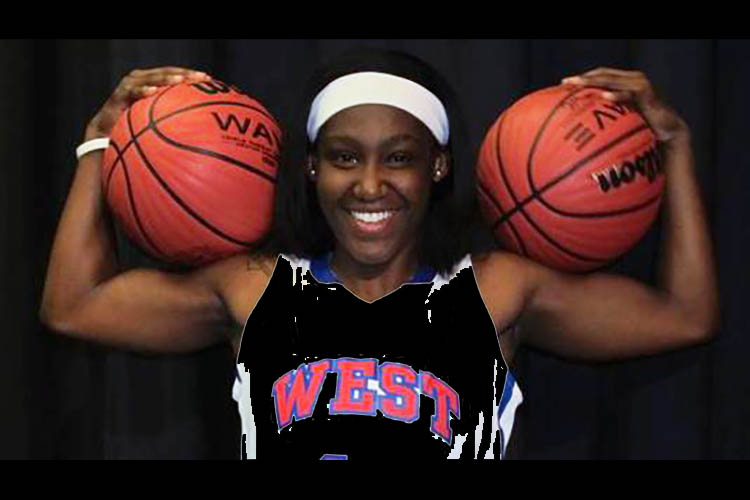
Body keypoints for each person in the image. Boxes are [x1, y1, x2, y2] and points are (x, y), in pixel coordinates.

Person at [39, 49, 719, 459]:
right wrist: (102, 145)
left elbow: (684, 316)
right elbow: (73, 307)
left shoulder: (494, 291)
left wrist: (675, 146)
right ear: (312, 168)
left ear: (437, 167)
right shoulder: (254, 289)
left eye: (398, 158)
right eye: (344, 158)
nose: (369, 185)